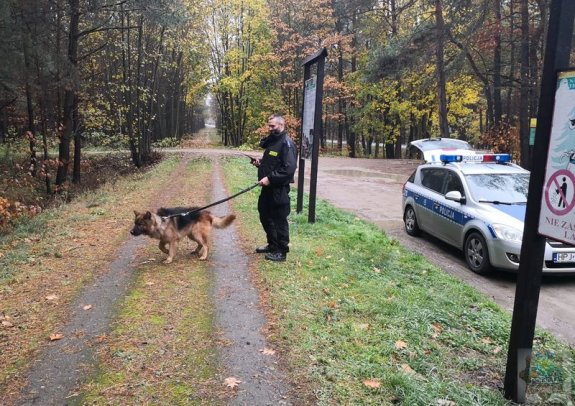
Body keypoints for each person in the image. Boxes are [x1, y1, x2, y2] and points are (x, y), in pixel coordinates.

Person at [251, 114, 297, 262]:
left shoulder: (286, 143)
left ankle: (281, 252)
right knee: (264, 215)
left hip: (279, 190)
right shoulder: (274, 142)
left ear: (281, 125)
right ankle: (272, 244)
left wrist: (270, 178)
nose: (270, 128)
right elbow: (273, 161)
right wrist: (260, 162)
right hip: (267, 189)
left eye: (273, 126)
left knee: (279, 219)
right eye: (269, 125)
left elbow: (288, 169)